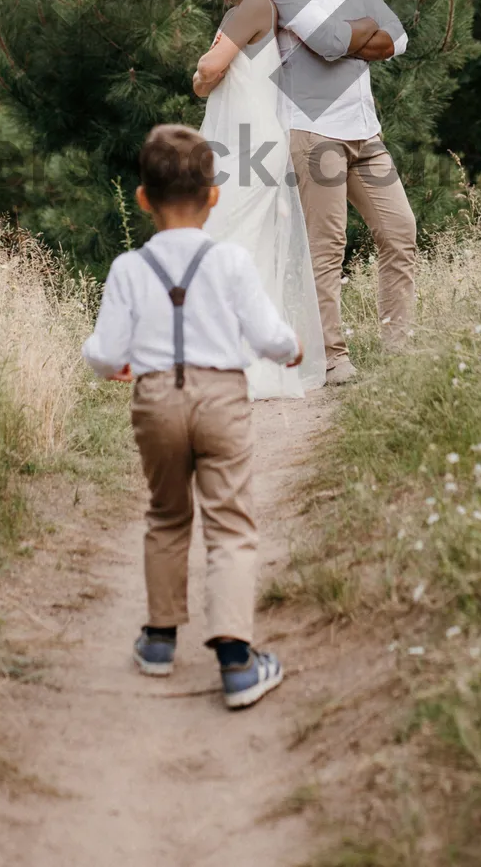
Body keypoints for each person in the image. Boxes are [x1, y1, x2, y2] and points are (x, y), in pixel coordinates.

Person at [82, 123, 301, 709]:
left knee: (166, 513)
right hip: (222, 400)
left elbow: (103, 354)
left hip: (155, 400)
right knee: (230, 521)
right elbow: (267, 333)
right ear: (215, 196)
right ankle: (236, 663)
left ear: (142, 199)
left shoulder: (130, 267)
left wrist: (121, 366)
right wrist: (290, 350)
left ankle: (158, 641)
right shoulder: (229, 261)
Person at [270, 0, 417, 387]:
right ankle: (332, 358)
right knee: (327, 247)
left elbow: (398, 37)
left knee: (400, 234)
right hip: (314, 132)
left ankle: (398, 348)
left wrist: (353, 37)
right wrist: (362, 33)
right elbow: (331, 45)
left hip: (365, 131)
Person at [190, 0, 326, 398]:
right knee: (243, 246)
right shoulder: (255, 8)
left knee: (226, 242)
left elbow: (207, 71)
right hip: (248, 138)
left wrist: (202, 75)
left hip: (244, 142)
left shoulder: (251, 6)